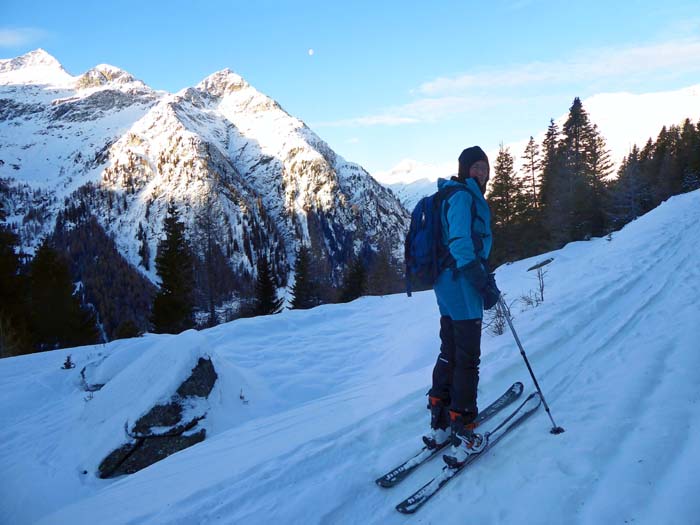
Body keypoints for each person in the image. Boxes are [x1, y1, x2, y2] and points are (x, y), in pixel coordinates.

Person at [423, 146, 494, 466]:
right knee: (467, 359)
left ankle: (440, 423)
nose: (482, 173)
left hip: (445, 282)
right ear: (465, 169)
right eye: (476, 167)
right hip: (462, 282)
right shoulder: (463, 197)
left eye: (485, 168)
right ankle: (464, 429)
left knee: (449, 352)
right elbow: (462, 244)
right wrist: (481, 281)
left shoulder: (448, 194)